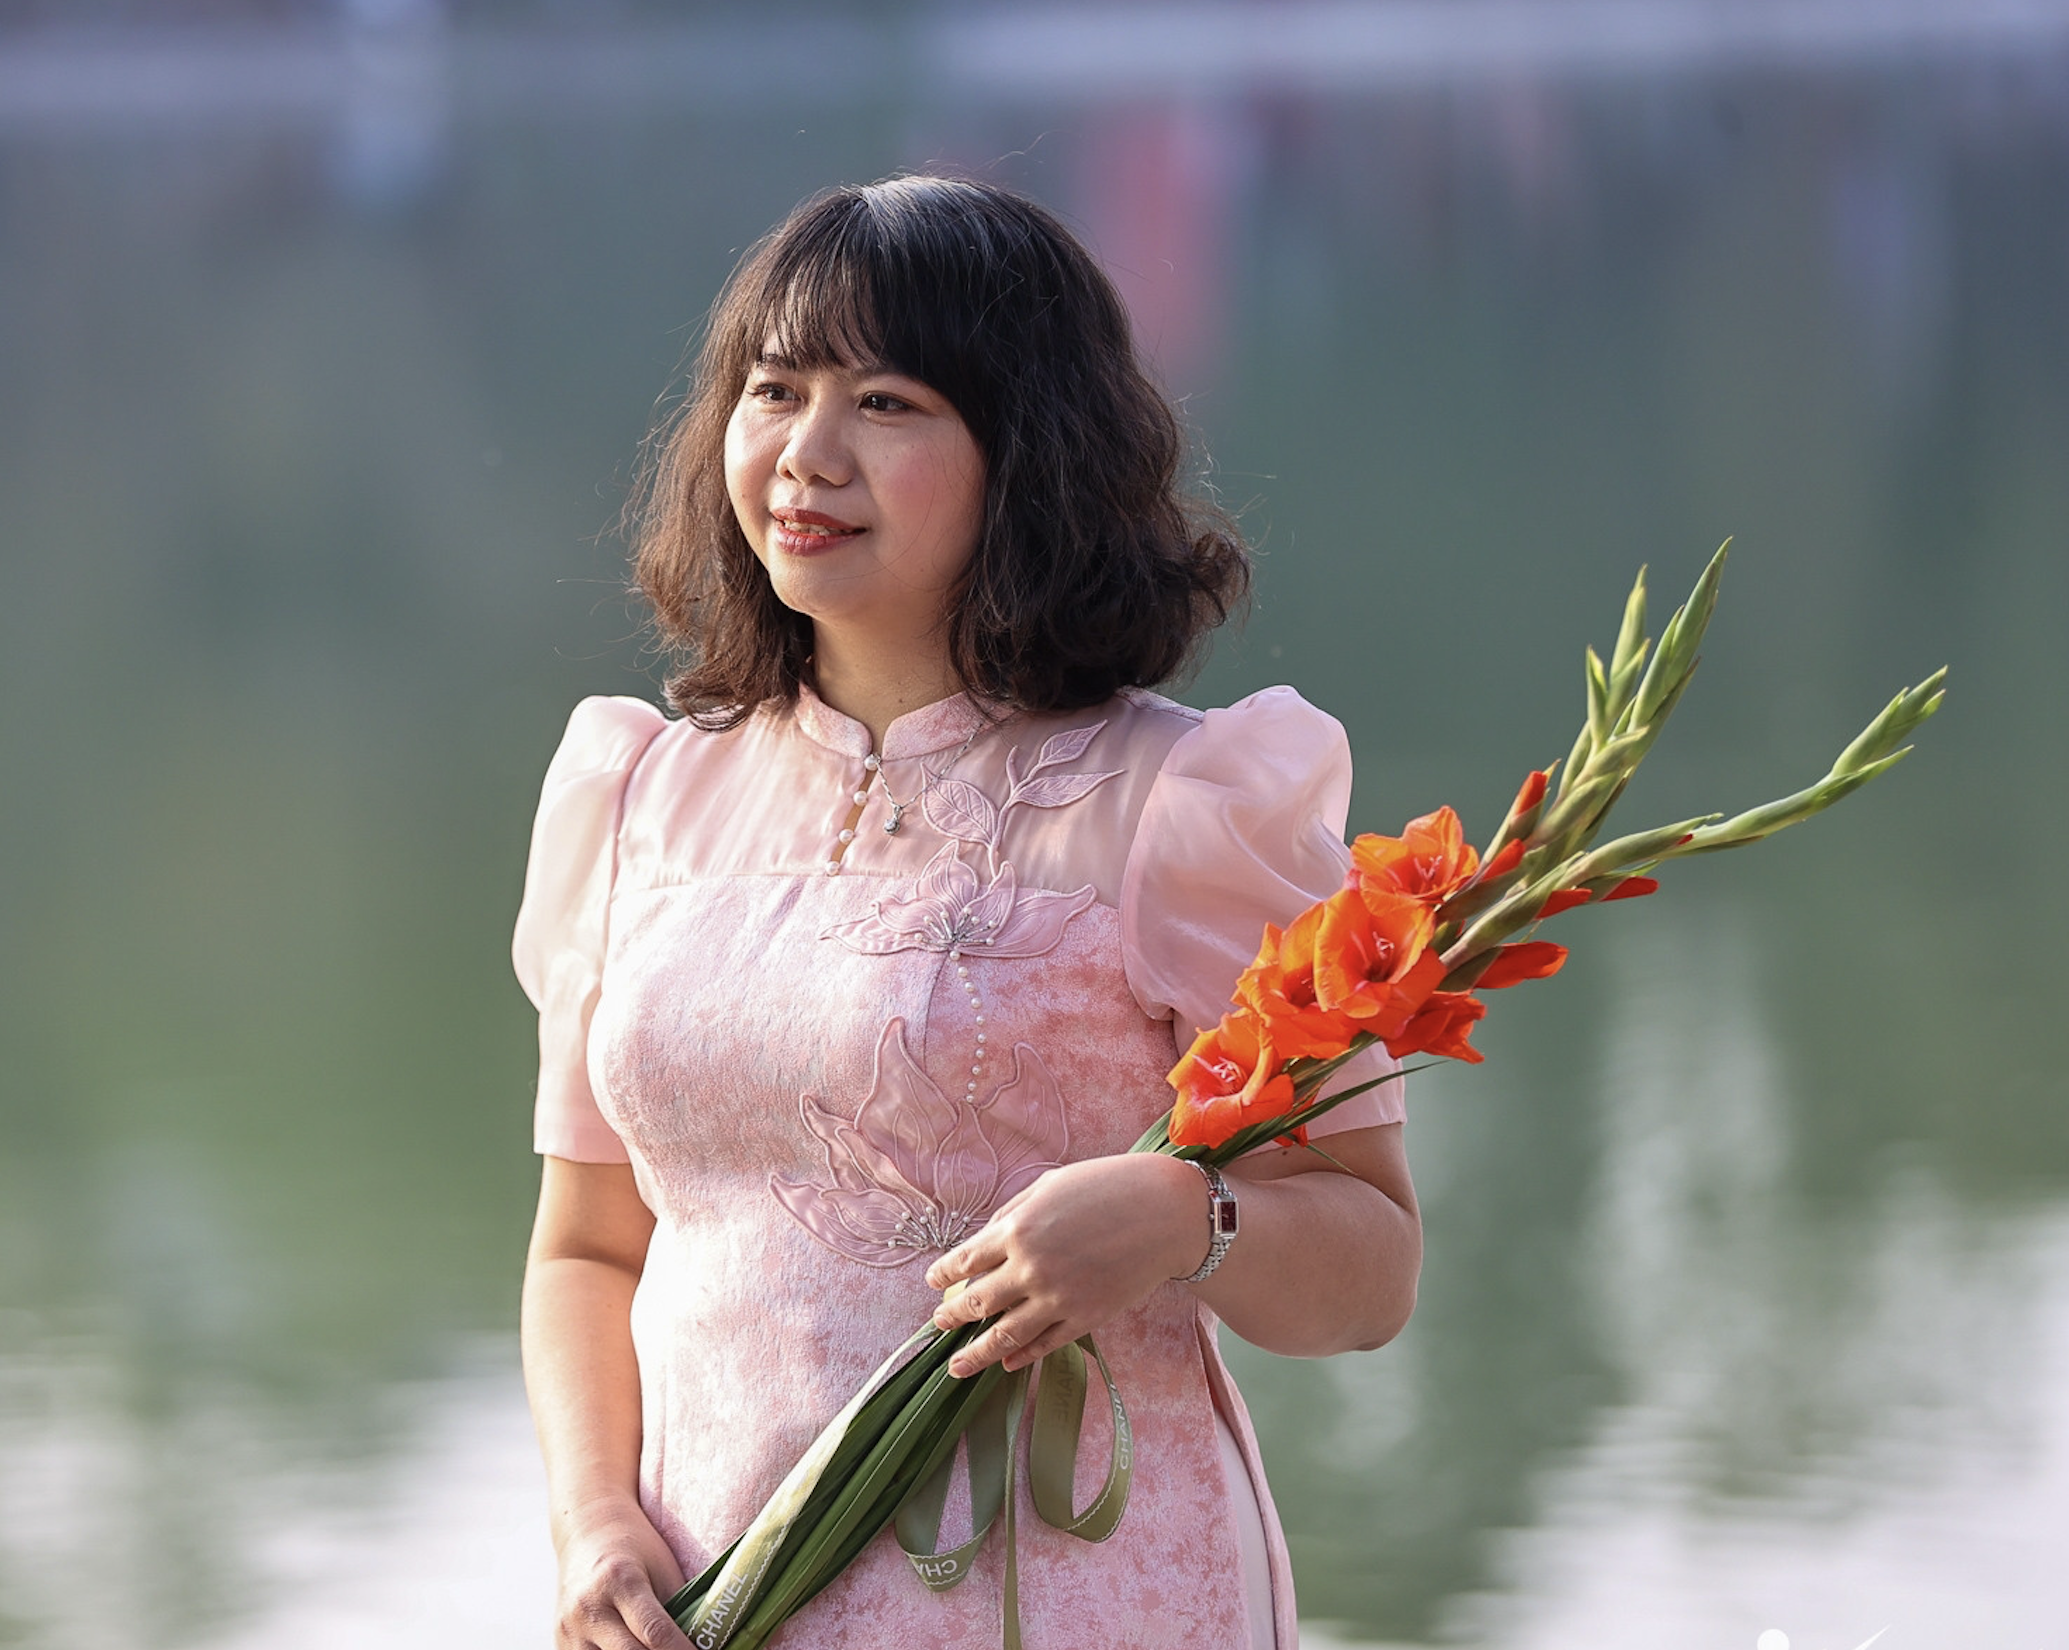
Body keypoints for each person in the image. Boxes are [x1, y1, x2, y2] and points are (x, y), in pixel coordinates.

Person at [515, 175, 1421, 1650]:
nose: (806, 455)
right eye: (772, 389)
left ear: (1028, 451)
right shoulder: (637, 800)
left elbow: (1372, 1266)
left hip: (1079, 1595)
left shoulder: (1182, 808)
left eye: (884, 401)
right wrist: (592, 1521)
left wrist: (1187, 1216)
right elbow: (585, 1250)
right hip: (716, 1597)